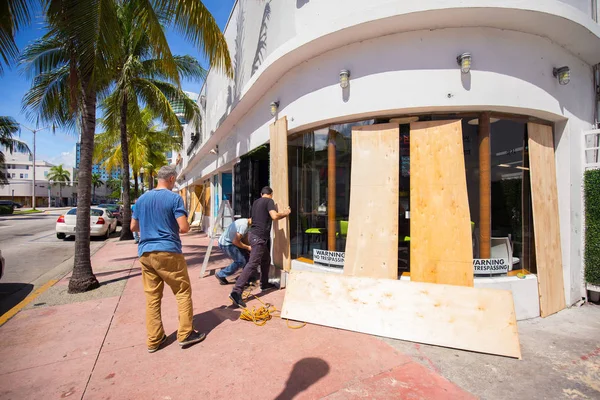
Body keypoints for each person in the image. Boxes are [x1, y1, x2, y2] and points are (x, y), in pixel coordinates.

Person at [131, 165, 205, 353]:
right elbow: (184, 228)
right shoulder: (174, 198)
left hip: (145, 253)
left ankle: (154, 339)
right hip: (168, 251)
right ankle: (186, 334)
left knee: (152, 298)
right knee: (182, 291)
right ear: (172, 179)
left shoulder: (141, 200)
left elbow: (133, 227)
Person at [229, 186, 291, 308]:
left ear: (262, 193)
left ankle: (264, 284)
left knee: (266, 259)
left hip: (253, 235)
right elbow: (274, 216)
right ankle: (236, 292)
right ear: (270, 194)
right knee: (252, 264)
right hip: (259, 237)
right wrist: (286, 213)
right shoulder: (269, 201)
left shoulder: (256, 202)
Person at [215, 217, 252, 285]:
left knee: (246, 257)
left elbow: (243, 237)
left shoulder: (247, 223)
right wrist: (247, 247)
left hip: (230, 241)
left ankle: (246, 278)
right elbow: (236, 241)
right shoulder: (244, 225)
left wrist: (248, 247)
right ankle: (221, 274)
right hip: (226, 244)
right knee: (240, 261)